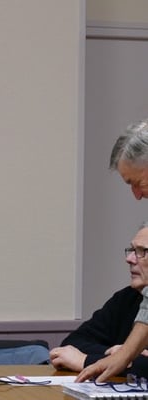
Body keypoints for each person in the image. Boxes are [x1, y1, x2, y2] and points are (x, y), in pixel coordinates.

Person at [77, 118, 148, 382]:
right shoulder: (125, 300)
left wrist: (124, 356)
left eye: (136, 182)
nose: (137, 195)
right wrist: (126, 355)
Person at [50, 222, 148, 377]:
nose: (129, 259)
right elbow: (71, 344)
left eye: (142, 251)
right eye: (132, 250)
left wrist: (86, 361)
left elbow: (143, 367)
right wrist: (114, 353)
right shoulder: (127, 298)